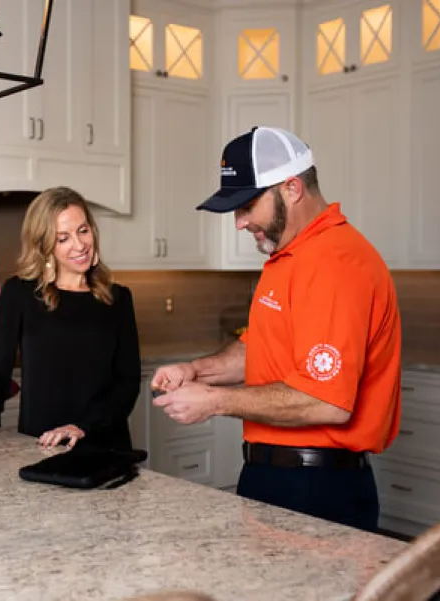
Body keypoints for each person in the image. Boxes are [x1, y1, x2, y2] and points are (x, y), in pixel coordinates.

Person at [150, 126, 402, 533]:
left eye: (247, 205)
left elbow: (326, 402)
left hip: (318, 489)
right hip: (274, 477)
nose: (240, 222)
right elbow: (261, 347)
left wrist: (214, 401)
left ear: (291, 188)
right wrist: (198, 371)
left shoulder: (335, 263)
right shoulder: (289, 256)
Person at [0, 186, 142, 454]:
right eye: (63, 238)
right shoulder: (19, 294)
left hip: (104, 445)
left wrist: (82, 426)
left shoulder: (118, 299)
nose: (79, 245)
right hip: (41, 445)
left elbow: (127, 382)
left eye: (83, 230)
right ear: (44, 245)